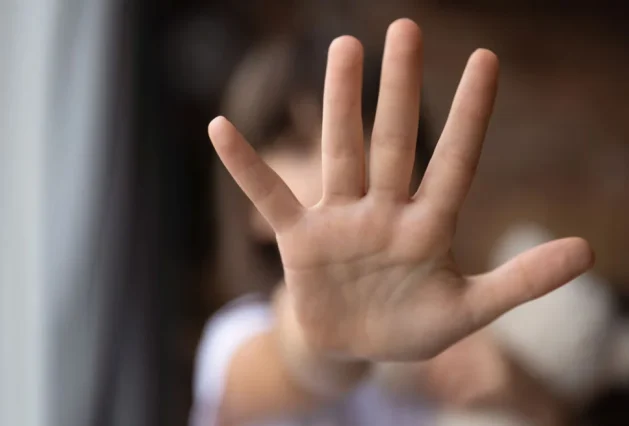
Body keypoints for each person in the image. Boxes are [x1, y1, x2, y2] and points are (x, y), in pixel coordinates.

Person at [192, 18, 593, 426]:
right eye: (297, 147)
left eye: (366, 132)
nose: (336, 165)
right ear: (249, 206)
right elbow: (286, 369)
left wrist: (519, 389)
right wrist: (330, 342)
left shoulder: (446, 328)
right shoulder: (236, 337)